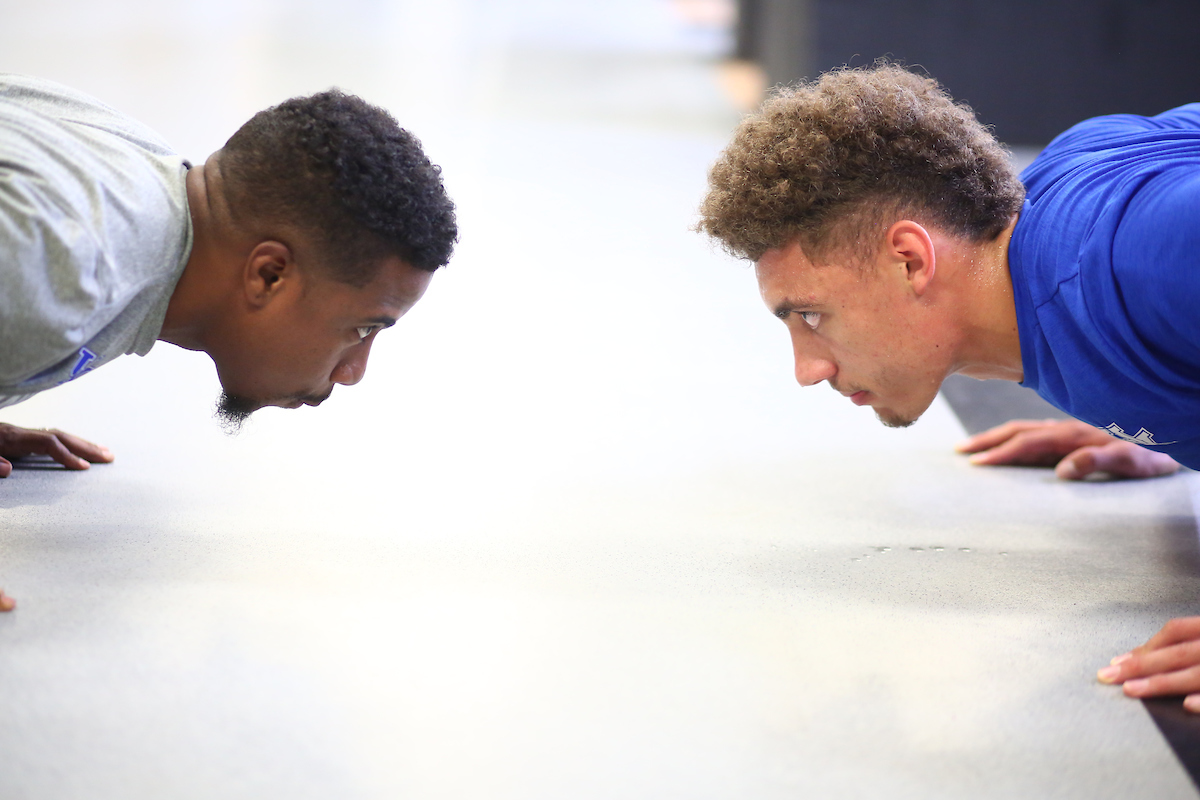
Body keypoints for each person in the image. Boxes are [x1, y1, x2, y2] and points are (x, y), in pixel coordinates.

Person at [697, 64, 1200, 709]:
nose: (808, 368)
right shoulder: (1076, 194)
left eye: (812, 315)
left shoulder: (1127, 263)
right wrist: (1161, 402)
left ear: (910, 259)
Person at [0, 74, 458, 611]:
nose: (354, 371)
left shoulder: (128, 174)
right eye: (363, 329)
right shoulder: (64, 273)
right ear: (268, 275)